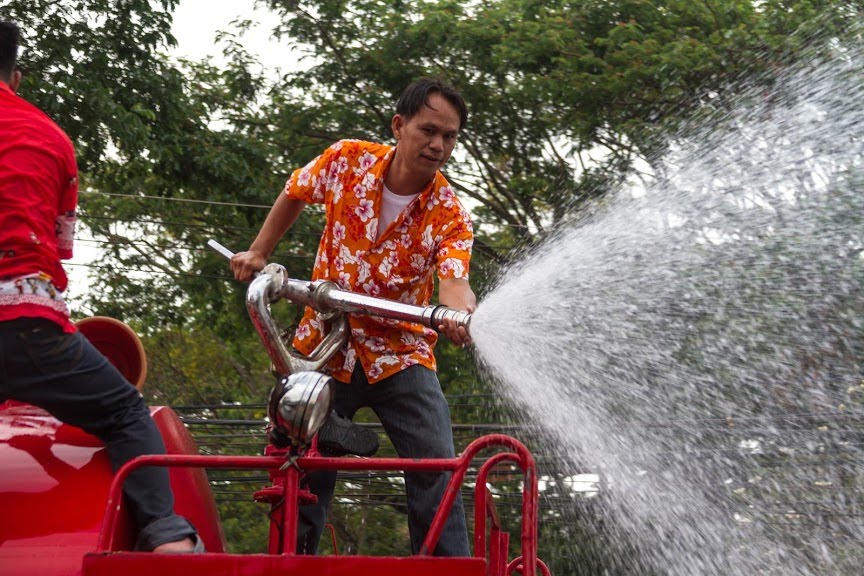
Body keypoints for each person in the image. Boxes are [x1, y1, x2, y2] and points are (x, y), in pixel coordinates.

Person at [231, 77, 475, 555]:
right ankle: (291, 563)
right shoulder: (347, 160)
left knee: (437, 468)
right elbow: (295, 190)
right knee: (302, 470)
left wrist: (460, 315)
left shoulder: (449, 214)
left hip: (400, 354)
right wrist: (259, 252)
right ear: (399, 126)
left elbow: (455, 283)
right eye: (428, 131)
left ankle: (448, 567)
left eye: (449, 137)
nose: (437, 145)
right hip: (324, 348)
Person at [0, 20, 201, 553]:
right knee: (124, 413)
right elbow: (58, 247)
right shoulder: (51, 139)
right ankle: (168, 542)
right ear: (15, 77)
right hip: (27, 327)